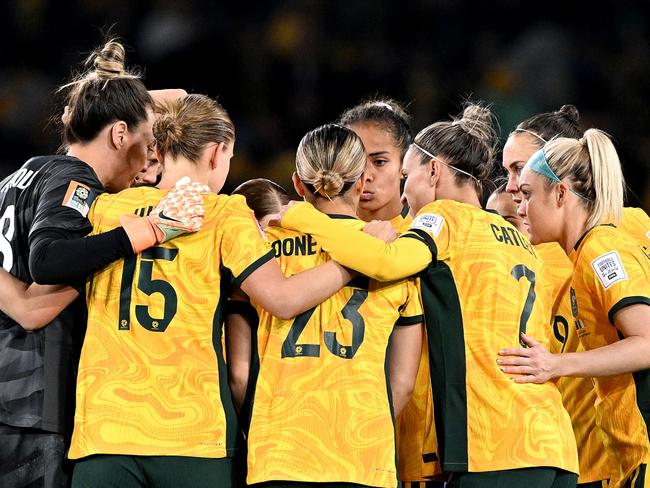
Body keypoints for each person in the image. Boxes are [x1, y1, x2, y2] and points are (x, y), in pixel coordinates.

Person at [274, 105, 579, 487]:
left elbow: (385, 262)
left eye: (406, 176)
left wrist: (304, 217)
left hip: (494, 443)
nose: (404, 191)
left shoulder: (443, 218)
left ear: (433, 171)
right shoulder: (518, 237)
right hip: (554, 440)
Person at [0, 39, 163, 488]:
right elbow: (49, 260)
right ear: (118, 134)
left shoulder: (24, 172)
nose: (150, 161)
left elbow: (179, 99)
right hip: (32, 397)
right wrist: (126, 238)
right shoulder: (77, 180)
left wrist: (122, 94)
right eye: (148, 144)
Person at [244, 123, 423, 488]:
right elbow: (403, 382)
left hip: (280, 449)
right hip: (364, 456)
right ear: (361, 182)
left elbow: (239, 358)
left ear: (297, 183)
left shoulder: (262, 246)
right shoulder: (395, 253)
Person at [498, 129, 650, 488]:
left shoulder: (602, 250)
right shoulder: (587, 252)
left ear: (561, 193)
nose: (520, 208)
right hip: (628, 454)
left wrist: (556, 364)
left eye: (528, 195)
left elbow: (647, 342)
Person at [338, 98, 443, 485]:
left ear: (404, 167)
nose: (364, 175)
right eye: (355, 160)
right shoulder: (314, 239)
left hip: (420, 438)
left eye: (379, 161)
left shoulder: (432, 240)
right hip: (331, 438)